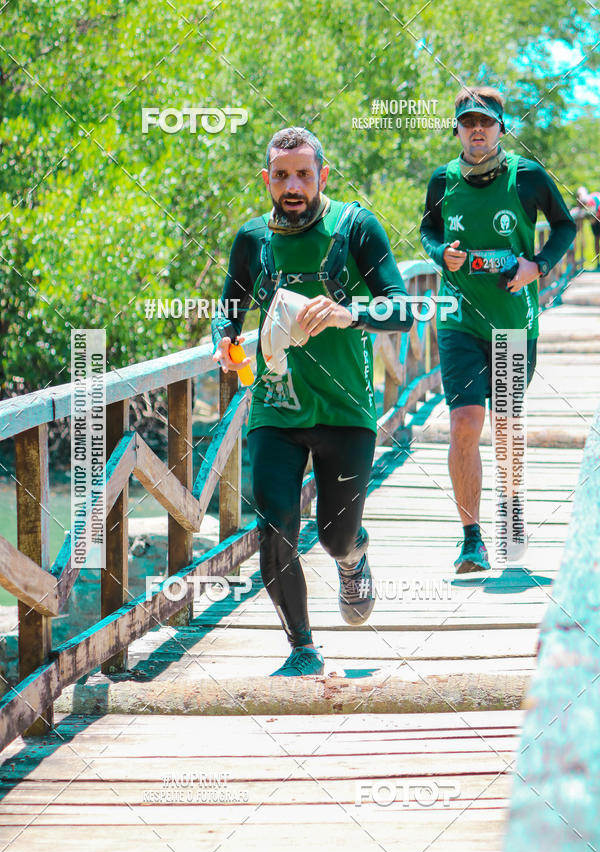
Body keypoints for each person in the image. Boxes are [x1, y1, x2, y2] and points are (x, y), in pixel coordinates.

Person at [212, 126, 413, 676]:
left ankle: (354, 555)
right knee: (274, 525)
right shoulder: (252, 239)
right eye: (281, 176)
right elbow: (227, 311)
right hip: (276, 409)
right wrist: (223, 344)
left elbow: (403, 309)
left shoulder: (355, 228)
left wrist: (352, 313)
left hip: (347, 413)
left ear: (322, 175)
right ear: (267, 180)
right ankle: (301, 647)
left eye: (303, 174)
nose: (292, 186)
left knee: (332, 533)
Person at [420, 86, 576, 573]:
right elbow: (428, 231)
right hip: (458, 319)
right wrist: (437, 254)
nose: (477, 130)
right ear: (457, 129)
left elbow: (566, 226)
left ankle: (511, 513)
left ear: (501, 128)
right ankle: (472, 539)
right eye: (468, 122)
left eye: (486, 122)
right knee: (466, 423)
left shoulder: (526, 176)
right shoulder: (441, 181)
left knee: (506, 426)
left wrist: (539, 265)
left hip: (512, 323)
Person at [574, 186, 600, 265]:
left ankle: (598, 263)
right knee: (596, 239)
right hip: (596, 219)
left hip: (596, 219)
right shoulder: (594, 196)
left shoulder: (588, 200)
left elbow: (592, 220)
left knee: (596, 239)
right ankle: (598, 263)